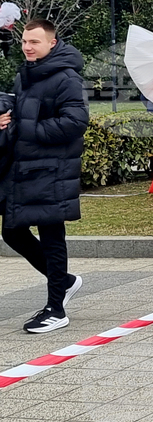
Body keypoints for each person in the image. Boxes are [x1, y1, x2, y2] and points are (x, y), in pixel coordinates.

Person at [0, 19, 89, 333]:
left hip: (52, 170)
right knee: (12, 231)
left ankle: (56, 309)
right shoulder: (26, 75)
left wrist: (27, 127)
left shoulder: (66, 78)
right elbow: (21, 109)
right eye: (25, 41)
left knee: (52, 236)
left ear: (52, 43)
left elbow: (75, 122)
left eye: (34, 42)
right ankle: (63, 281)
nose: (27, 47)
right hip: (24, 168)